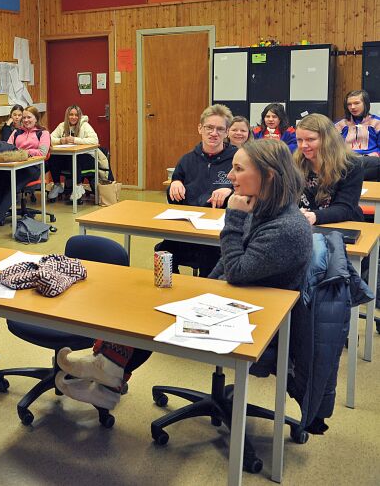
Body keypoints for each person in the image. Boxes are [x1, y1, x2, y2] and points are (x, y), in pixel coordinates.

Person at [55, 138, 312, 409]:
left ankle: (109, 371)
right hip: (236, 299)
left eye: (239, 169)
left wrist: (233, 217)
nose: (231, 176)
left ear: (268, 175)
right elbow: (228, 264)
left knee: (152, 310)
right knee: (145, 298)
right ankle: (109, 374)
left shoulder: (286, 228)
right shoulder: (263, 207)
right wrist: (202, 288)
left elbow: (236, 271)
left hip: (258, 321)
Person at [158, 104, 236, 276]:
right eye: (209, 127)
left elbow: (250, 193)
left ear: (227, 132)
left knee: (210, 258)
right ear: (200, 128)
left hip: (218, 232)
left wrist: (230, 190)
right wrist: (175, 183)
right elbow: (174, 199)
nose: (214, 133)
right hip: (189, 227)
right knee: (163, 250)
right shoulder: (187, 160)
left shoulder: (237, 160)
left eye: (220, 129)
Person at [295, 113, 364, 225]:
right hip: (304, 225)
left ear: (328, 139)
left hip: (342, 225)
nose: (303, 145)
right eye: (299, 140)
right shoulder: (294, 163)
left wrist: (314, 216)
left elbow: (345, 208)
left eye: (310, 139)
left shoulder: (351, 165)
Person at [0, 106, 49, 226]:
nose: (26, 120)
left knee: (12, 186)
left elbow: (42, 152)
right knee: (1, 184)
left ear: (36, 119)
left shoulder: (43, 133)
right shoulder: (16, 132)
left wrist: (25, 152)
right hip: (15, 165)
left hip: (32, 168)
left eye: (29, 117)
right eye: (24, 117)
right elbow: (7, 148)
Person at [47, 105, 99, 201]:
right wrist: (60, 140)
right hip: (69, 158)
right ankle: (57, 184)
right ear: (67, 116)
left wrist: (75, 140)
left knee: (75, 158)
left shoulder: (85, 125)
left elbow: (95, 140)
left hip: (87, 158)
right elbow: (49, 138)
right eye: (71, 115)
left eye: (76, 115)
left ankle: (78, 186)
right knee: (53, 157)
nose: (73, 117)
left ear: (79, 116)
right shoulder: (62, 126)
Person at [334, 89, 380, 181]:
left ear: (365, 104)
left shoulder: (376, 122)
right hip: (347, 160)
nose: (352, 107)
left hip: (370, 161)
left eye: (356, 103)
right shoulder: (340, 124)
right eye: (349, 104)